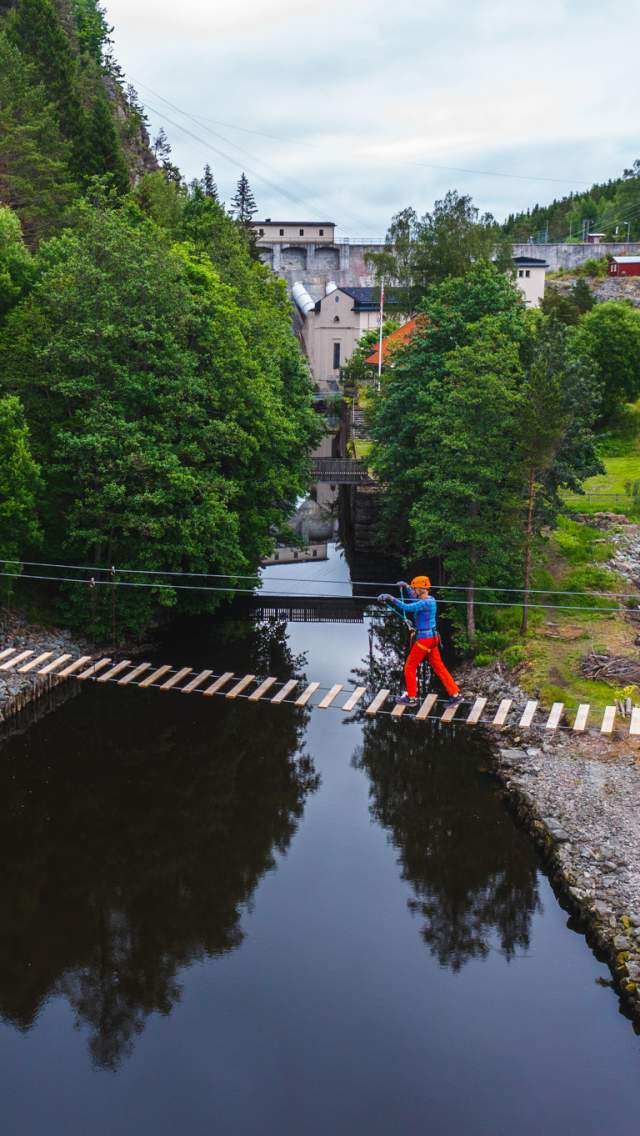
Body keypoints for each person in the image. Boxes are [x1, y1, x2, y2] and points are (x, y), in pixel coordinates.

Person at [378, 575, 462, 707]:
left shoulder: (425, 603)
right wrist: (406, 587)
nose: (414, 590)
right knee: (439, 667)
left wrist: (390, 598)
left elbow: (407, 607)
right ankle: (455, 695)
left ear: (421, 589)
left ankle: (411, 698)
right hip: (433, 638)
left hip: (424, 640)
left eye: (414, 588)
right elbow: (413, 599)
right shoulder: (430, 599)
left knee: (410, 667)